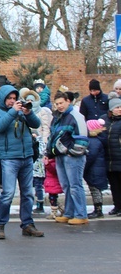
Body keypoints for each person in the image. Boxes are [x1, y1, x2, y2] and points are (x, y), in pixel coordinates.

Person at [0, 85, 44, 239]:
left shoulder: (21, 112)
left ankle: (27, 224)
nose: (12, 101)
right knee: (8, 193)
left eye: (15, 98)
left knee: (28, 193)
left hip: (26, 156)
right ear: (3, 99)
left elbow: (36, 124)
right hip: (9, 158)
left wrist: (28, 112)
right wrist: (13, 111)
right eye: (9, 99)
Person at [50, 91, 89, 224]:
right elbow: (53, 135)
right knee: (66, 186)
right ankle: (69, 212)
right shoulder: (58, 117)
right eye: (57, 104)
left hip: (72, 156)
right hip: (60, 155)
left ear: (68, 101)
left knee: (75, 185)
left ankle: (81, 214)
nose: (59, 106)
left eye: (61, 103)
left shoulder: (75, 116)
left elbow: (82, 138)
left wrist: (72, 152)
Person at [84, 119, 108, 219]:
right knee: (95, 189)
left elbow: (91, 156)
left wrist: (84, 167)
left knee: (95, 189)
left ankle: (98, 210)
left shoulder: (93, 141)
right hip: (97, 168)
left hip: (94, 169)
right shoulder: (98, 139)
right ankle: (98, 209)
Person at [106, 97, 121, 216]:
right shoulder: (106, 121)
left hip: (119, 158)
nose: (119, 109)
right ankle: (117, 206)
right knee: (114, 186)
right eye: (117, 107)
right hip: (109, 159)